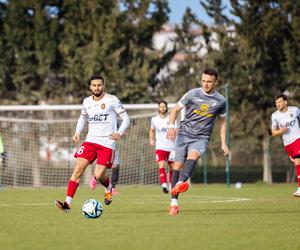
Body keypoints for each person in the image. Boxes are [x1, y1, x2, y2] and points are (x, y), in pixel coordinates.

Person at [55, 74, 130, 212]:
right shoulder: (87, 101)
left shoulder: (112, 100)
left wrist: (119, 132)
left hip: (107, 143)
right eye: (94, 85)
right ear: (90, 87)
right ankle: (67, 203)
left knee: (98, 175)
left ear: (103, 86)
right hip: (90, 141)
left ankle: (108, 188)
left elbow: (126, 119)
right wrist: (77, 132)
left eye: (99, 85)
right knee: (78, 169)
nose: (97, 88)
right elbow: (82, 118)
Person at [166, 68, 229, 215]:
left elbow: (223, 122)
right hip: (183, 135)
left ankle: (180, 184)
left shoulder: (220, 101)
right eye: (204, 81)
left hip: (201, 137)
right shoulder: (192, 94)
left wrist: (223, 143)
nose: (206, 84)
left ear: (216, 82)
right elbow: (175, 110)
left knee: (193, 157)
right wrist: (170, 127)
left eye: (209, 82)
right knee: (177, 166)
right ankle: (174, 202)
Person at [271, 93, 300, 196]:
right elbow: (273, 132)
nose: (277, 104)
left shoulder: (295, 110)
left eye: (279, 102)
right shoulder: (275, 115)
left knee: (298, 161)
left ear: (285, 102)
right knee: (297, 162)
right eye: (276, 103)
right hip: (287, 144)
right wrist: (281, 130)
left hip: (298, 139)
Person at [149, 101, 177, 193]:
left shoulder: (172, 119)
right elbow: (152, 130)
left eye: (164, 106)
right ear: (158, 108)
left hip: (171, 147)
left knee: (172, 167)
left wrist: (174, 135)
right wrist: (151, 139)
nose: (162, 108)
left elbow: (176, 130)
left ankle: (171, 185)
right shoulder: (154, 119)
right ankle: (164, 184)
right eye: (160, 106)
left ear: (166, 107)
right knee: (161, 165)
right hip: (160, 147)